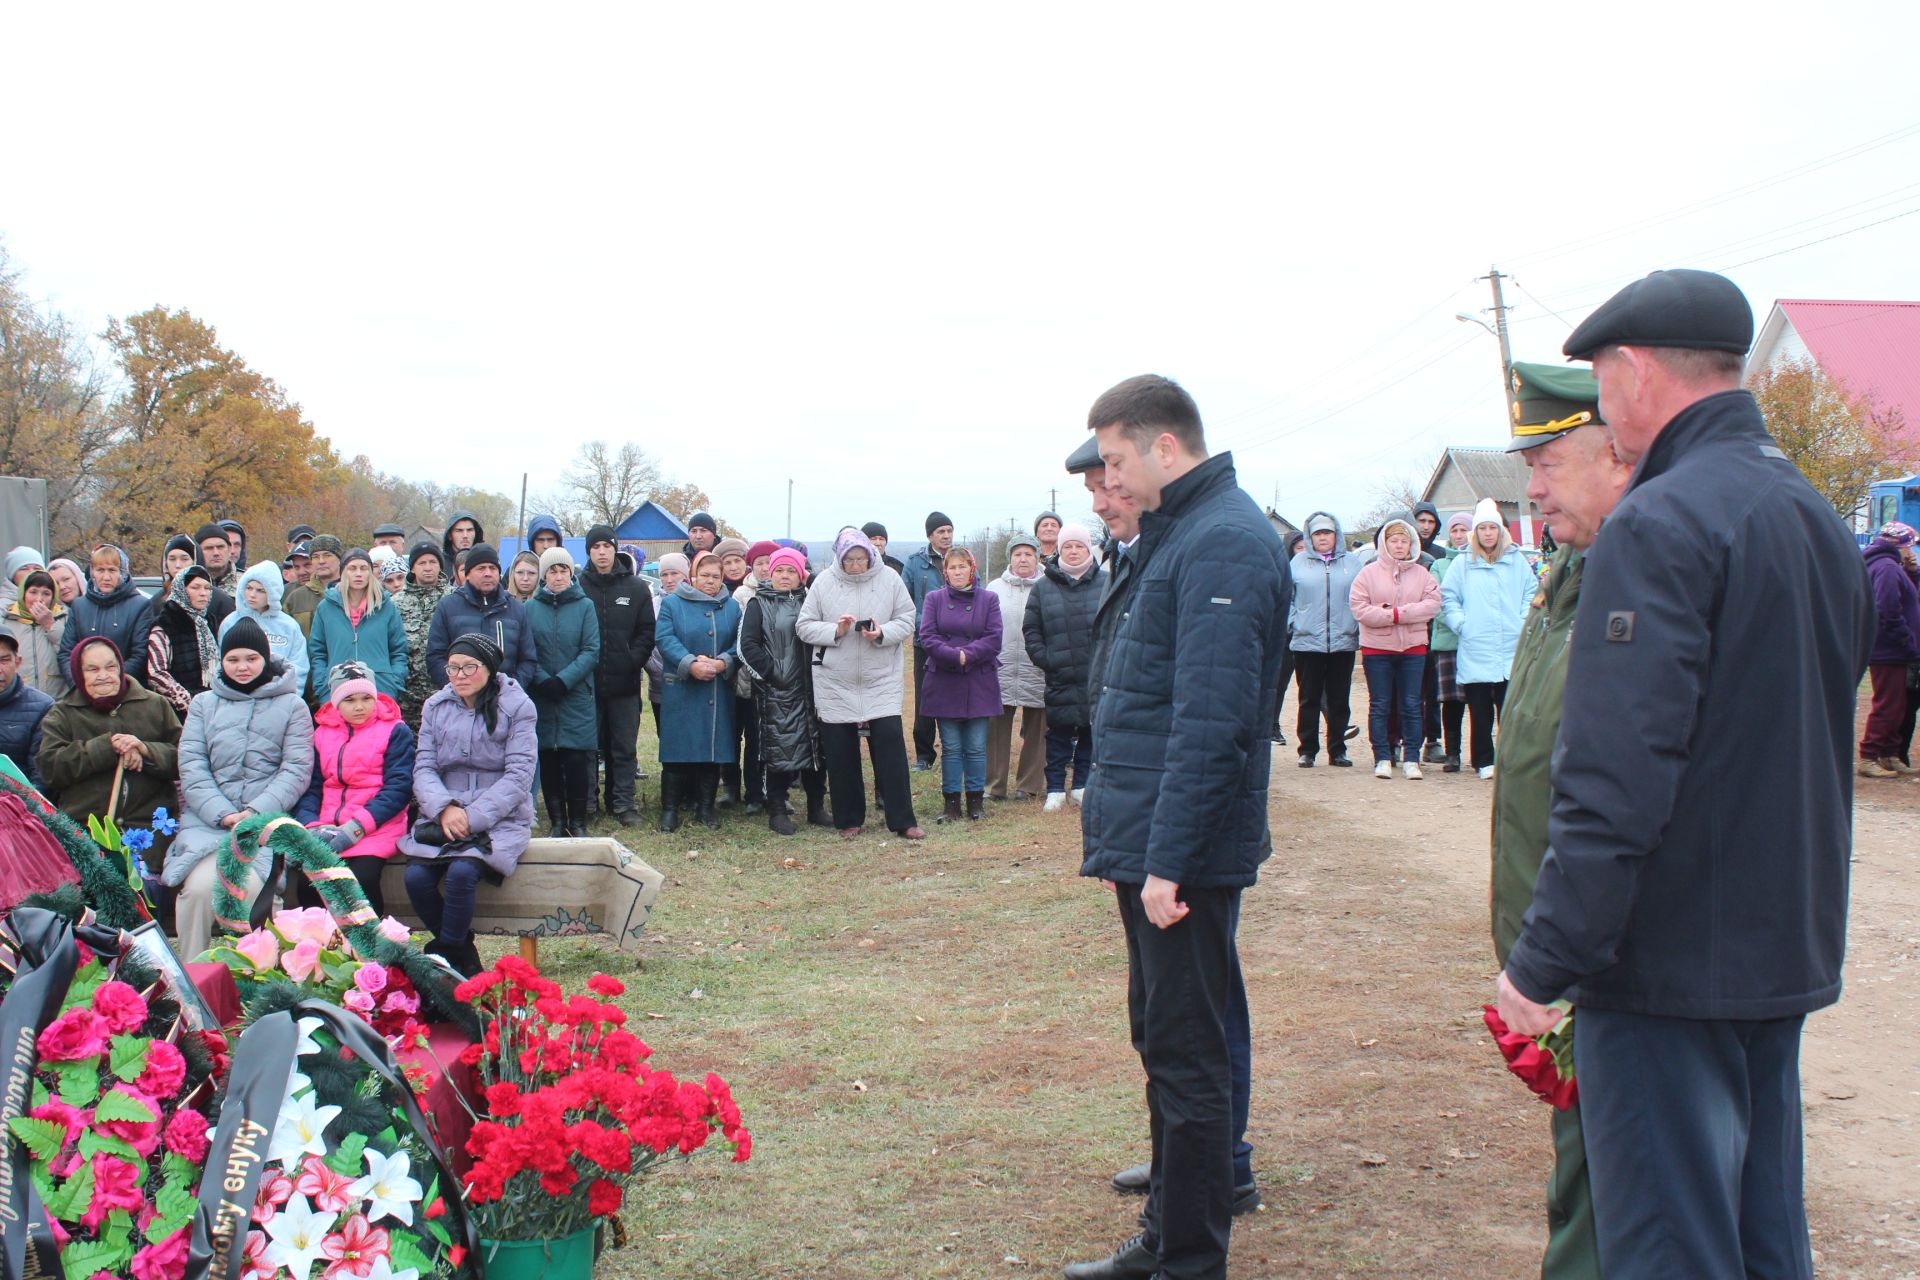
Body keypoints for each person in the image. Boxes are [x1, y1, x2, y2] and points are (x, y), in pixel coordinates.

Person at [1496, 269, 1877, 1279]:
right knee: (1760, 1238)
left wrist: (1545, 957)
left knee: (1668, 1245)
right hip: (1774, 946)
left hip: (1667, 963)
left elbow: (1616, 772)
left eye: (1599, 375)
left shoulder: (1660, 521)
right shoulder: (1807, 512)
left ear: (1630, 371)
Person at [1068, 375, 1287, 1280]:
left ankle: (1186, 1254)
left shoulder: (1224, 542)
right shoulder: (1183, 534)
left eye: (1113, 460)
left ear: (1165, 447)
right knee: (1167, 1032)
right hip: (1152, 832)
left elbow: (1211, 721)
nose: (1104, 479)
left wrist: (1169, 860)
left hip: (1178, 847)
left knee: (1187, 1050)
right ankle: (1178, 1209)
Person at [1487, 359, 1629, 1280]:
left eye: (1549, 462)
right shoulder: (1569, 573)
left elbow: (1619, 792)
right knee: (1584, 1174)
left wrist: (1559, 946)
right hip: (1556, 933)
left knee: (1605, 1196)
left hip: (1604, 949)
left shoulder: (1637, 580)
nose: (1529, 489)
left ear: (1618, 455)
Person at [167, 618, 315, 958]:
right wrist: (223, 814)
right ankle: (193, 982)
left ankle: (260, 983)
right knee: (199, 891)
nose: (242, 667)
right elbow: (192, 766)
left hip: (263, 827)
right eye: (233, 659)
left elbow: (295, 769)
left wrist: (253, 813)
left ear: (265, 657)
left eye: (251, 658)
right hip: (209, 824)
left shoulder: (292, 706)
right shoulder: (203, 705)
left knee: (248, 889)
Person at [399, 633, 538, 977]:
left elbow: (519, 774)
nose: (459, 675)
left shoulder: (518, 706)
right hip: (443, 811)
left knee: (463, 871)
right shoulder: (435, 706)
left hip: (499, 814)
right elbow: (425, 766)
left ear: (489, 669)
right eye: (453, 668)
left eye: (469, 667)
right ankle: (462, 954)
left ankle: (446, 956)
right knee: (416, 878)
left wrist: (473, 817)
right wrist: (444, 808)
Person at [795, 528, 925, 840]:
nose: (856, 564)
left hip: (881, 677)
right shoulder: (824, 582)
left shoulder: (890, 580)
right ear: (839, 558)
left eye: (861, 558)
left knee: (890, 747)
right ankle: (849, 818)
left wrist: (881, 633)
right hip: (835, 679)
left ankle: (903, 819)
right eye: (849, 559)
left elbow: (908, 618)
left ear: (871, 555)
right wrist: (835, 631)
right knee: (841, 752)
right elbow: (804, 625)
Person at [293, 661, 416, 916]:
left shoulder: (395, 730)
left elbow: (398, 789)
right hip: (327, 827)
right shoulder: (322, 733)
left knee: (361, 880)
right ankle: (320, 950)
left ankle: (370, 947)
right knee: (309, 885)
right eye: (349, 700)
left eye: (366, 698)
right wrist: (312, 826)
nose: (359, 706)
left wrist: (356, 827)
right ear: (337, 703)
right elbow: (311, 787)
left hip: (376, 827)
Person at [36, 636, 180, 832]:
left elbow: (185, 758)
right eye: (92, 669)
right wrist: (107, 747)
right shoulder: (62, 713)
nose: (103, 675)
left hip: (150, 828)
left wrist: (146, 750)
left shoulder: (154, 704)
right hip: (87, 831)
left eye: (110, 667)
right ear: (78, 674)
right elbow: (50, 769)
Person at [1440, 499, 1534, 779]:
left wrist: (1522, 620)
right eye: (1483, 528)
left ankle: (1510, 760)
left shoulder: (1517, 561)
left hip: (1510, 644)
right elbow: (1448, 598)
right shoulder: (1462, 563)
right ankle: (1484, 761)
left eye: (1493, 527)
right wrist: (1461, 624)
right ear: (1476, 533)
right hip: (1476, 644)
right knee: (1480, 710)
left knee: (1510, 709)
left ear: (1501, 530)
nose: (1489, 533)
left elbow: (1531, 592)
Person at [738, 546, 828, 834]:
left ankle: (816, 807)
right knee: (778, 750)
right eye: (779, 570)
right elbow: (746, 646)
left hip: (814, 689)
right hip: (777, 692)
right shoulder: (758, 603)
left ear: (802, 575)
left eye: (791, 570)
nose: (785, 575)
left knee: (817, 750)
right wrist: (772, 673)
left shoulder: (811, 601)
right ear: (770, 573)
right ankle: (777, 809)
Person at [653, 551, 741, 832]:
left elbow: (739, 643)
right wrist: (689, 663)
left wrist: (723, 661)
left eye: (716, 577)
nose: (710, 581)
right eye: (705, 575)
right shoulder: (672, 603)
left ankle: (706, 808)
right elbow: (665, 639)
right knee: (677, 752)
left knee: (711, 751)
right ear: (693, 576)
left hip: (717, 687)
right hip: (682, 687)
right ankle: (670, 810)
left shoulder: (732, 607)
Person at [1350, 517, 1440, 780]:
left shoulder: (1422, 573)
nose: (1399, 546)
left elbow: (1432, 604)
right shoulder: (1367, 573)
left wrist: (1399, 613)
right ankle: (1382, 757)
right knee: (1380, 704)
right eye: (1394, 540)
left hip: (1413, 648)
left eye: (1404, 541)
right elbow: (1360, 609)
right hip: (1377, 649)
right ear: (1384, 543)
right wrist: (1393, 616)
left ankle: (1412, 756)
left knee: (1412, 703)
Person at [918, 545, 1002, 824]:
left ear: (971, 569)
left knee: (976, 746)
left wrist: (970, 654)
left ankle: (976, 802)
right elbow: (927, 636)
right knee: (952, 746)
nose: (957, 572)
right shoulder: (934, 599)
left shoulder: (989, 599)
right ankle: (951, 803)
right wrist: (955, 656)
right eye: (952, 567)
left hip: (979, 680)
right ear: (945, 572)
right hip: (944, 679)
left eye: (962, 566)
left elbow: (994, 638)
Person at [1025, 522, 1104, 812]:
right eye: (1067, 546)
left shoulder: (1106, 582)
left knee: (1089, 732)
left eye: (1079, 546)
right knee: (1057, 734)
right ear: (1059, 549)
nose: (1073, 551)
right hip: (1059, 675)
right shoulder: (1043, 587)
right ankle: (1055, 789)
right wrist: (1047, 660)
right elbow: (1031, 630)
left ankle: (1082, 785)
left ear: (1088, 549)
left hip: (1095, 675)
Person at [580, 524, 655, 825]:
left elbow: (647, 631)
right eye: (595, 547)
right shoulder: (578, 585)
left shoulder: (636, 588)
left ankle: (622, 803)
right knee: (587, 747)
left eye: (606, 547)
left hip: (624, 684)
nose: (601, 552)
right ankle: (586, 803)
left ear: (615, 549)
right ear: (589, 551)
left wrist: (632, 659)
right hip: (587, 684)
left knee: (623, 747)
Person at [526, 547, 601, 837]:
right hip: (543, 693)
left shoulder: (585, 606)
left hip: (575, 693)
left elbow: (591, 650)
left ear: (571, 573)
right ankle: (558, 821)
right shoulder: (530, 609)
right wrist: (544, 680)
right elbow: (527, 650)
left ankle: (578, 822)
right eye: (552, 571)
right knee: (549, 759)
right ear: (544, 575)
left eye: (563, 571)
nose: (558, 577)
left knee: (575, 758)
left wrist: (564, 680)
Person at [1288, 512, 1362, 767]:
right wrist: (1293, 622)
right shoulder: (1298, 563)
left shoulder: (1352, 563)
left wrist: (1356, 625)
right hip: (1307, 641)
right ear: (1310, 536)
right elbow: (1287, 595)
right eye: (1317, 533)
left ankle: (1337, 749)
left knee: (1339, 697)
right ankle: (1307, 749)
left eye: (1327, 533)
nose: (1322, 538)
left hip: (1342, 639)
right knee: (1308, 697)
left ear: (1336, 535)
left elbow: (1361, 595)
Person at [984, 534, 1047, 802]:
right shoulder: (994, 588)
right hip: (1001, 666)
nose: (1023, 558)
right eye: (1018, 554)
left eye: (1028, 554)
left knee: (1038, 729)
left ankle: (1029, 786)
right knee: (995, 729)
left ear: (1037, 557)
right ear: (1010, 557)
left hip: (1038, 667)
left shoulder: (1049, 585)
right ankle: (994, 786)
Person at [425, 544, 537, 691]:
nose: (488, 573)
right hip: (461, 700)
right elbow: (435, 656)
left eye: (493, 568)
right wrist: (458, 688)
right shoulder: (448, 607)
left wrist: (510, 689)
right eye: (481, 568)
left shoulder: (516, 609)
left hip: (504, 700)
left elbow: (528, 660)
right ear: (468, 574)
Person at [1858, 521, 1920, 778]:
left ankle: (1889, 753)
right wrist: (1908, 643)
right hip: (1889, 650)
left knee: (1899, 704)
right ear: (1901, 545)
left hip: (1891, 649)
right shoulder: (1886, 568)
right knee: (1889, 704)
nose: (1912, 551)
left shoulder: (1891, 567)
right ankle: (1870, 756)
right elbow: (1888, 610)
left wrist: (1913, 573)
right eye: (1910, 546)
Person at [307, 549, 409, 702]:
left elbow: (399, 650)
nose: (358, 573)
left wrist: (393, 684)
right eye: (352, 568)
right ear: (343, 573)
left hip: (381, 691)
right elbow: (318, 652)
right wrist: (323, 687)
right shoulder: (325, 608)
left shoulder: (386, 606)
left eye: (364, 568)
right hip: (336, 692)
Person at [899, 512, 954, 770]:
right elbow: (904, 601)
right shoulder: (914, 563)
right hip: (925, 642)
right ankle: (924, 755)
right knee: (924, 698)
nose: (946, 536)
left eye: (949, 531)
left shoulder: (961, 559)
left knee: (952, 696)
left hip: (956, 641)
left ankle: (952, 752)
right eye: (940, 531)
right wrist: (921, 624)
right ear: (930, 535)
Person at [146, 566, 234, 715]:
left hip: (214, 706)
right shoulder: (165, 623)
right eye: (195, 587)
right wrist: (187, 701)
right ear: (181, 589)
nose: (203, 593)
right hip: (178, 711)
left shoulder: (209, 621)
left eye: (207, 588)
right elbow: (156, 673)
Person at [59, 544, 152, 684]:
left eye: (112, 570)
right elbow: (66, 653)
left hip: (124, 690)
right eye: (100, 570)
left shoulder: (140, 605)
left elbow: (140, 654)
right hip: (84, 689)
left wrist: (110, 683)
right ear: (92, 572)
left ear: (122, 572)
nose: (106, 577)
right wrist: (78, 684)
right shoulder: (79, 606)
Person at [218, 561, 310, 696]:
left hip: (279, 697)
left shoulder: (288, 625)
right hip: (238, 696)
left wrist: (291, 697)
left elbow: (298, 666)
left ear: (273, 593)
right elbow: (221, 662)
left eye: (260, 590)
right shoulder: (230, 622)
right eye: (248, 588)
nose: (252, 594)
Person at [1427, 513, 1472, 770]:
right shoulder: (1440, 565)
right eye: (1454, 530)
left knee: (1479, 701)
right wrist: (1459, 623)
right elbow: (1438, 601)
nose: (1459, 535)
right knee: (1452, 702)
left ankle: (1481, 754)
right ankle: (1453, 753)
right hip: (1448, 641)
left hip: (1478, 642)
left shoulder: (1480, 561)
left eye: (1464, 530)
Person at [395, 543, 450, 730]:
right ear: (412, 567)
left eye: (433, 562)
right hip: (408, 698)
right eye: (422, 563)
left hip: (446, 691)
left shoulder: (454, 598)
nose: (428, 567)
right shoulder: (396, 603)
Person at [2, 571, 70, 697]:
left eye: (46, 593)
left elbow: (70, 654)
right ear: (23, 594)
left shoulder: (65, 618)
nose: (39, 599)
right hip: (17, 699)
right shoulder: (6, 620)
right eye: (33, 592)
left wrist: (50, 625)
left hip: (56, 700)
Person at [0, 634, 55, 787]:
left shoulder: (42, 707)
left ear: (17, 662)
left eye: (4, 660)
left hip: (17, 805)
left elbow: (41, 778)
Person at [645, 553, 688, 738]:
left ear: (685, 575)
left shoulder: (694, 602)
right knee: (665, 735)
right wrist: (653, 668)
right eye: (664, 575)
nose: (669, 580)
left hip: (689, 680)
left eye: (674, 574)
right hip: (659, 681)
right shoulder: (652, 604)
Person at [1271, 529, 1305, 745]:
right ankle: (1272, 725)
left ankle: (1335, 723)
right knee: (1279, 684)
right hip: (1285, 636)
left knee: (1312, 684)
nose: (1303, 552)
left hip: (1308, 635)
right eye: (1299, 548)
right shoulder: (1282, 569)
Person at [283, 534, 343, 633]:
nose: (321, 561)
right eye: (315, 557)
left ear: (340, 558)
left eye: (327, 556)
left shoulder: (355, 592)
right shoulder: (295, 598)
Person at [194, 523, 239, 595]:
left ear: (229, 549)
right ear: (197, 551)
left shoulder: (246, 582)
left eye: (220, 547)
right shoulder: (188, 583)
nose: (216, 553)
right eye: (209, 548)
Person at [2, 546, 45, 613]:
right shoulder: (2, 608)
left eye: (37, 568)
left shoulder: (58, 608)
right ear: (12, 575)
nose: (31, 572)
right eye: (24, 568)